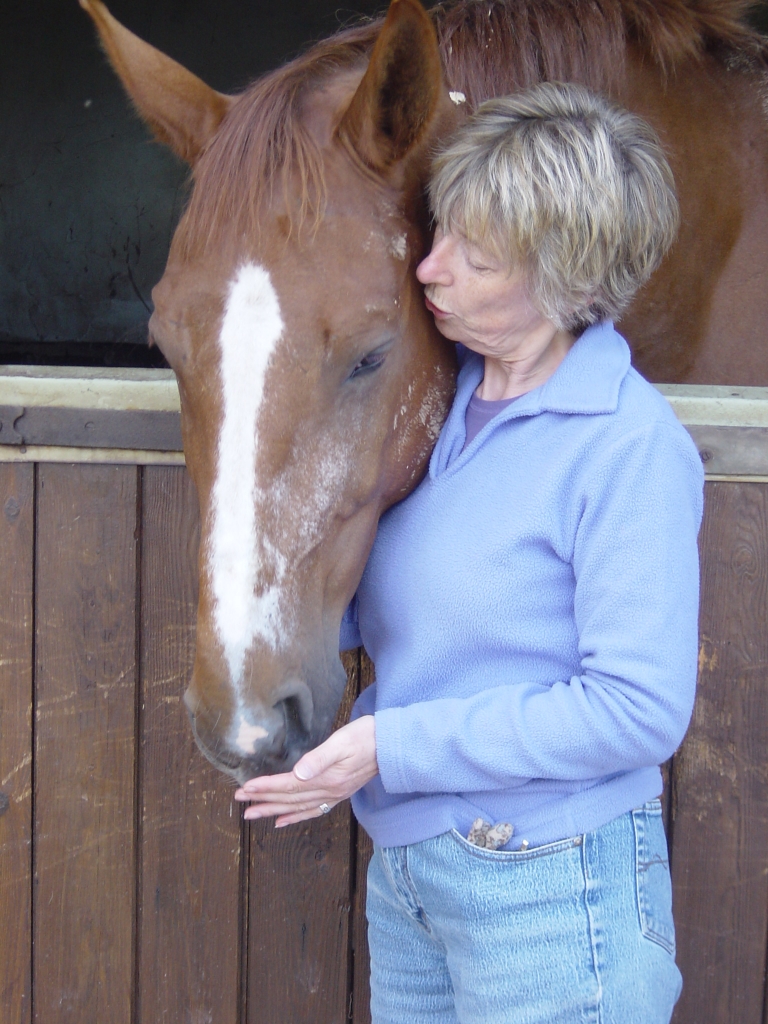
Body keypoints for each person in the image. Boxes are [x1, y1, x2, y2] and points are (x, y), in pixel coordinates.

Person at [234, 82, 704, 1024]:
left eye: (474, 256)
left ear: (564, 280)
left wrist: (387, 745)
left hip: (552, 886)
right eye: (439, 234)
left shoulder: (626, 445)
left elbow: (638, 712)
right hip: (414, 882)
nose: (430, 270)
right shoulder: (435, 412)